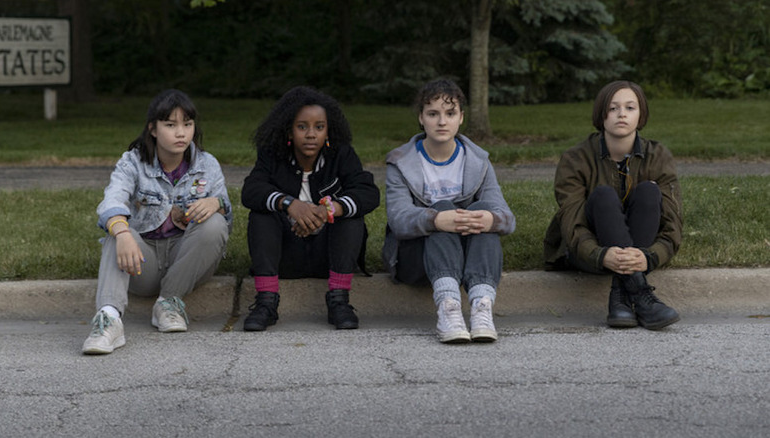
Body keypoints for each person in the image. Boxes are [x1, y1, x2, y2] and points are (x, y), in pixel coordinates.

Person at [81, 89, 232, 355]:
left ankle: (169, 303)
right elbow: (111, 201)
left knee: (215, 224)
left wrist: (217, 203)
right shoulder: (132, 162)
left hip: (185, 260)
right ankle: (109, 320)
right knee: (115, 232)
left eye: (187, 124)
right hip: (142, 261)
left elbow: (225, 225)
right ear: (153, 129)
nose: (181, 133)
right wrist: (124, 233)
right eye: (170, 125)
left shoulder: (207, 164)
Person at [382, 79, 516, 344]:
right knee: (441, 208)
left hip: (467, 259)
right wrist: (437, 219)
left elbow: (507, 218)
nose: (442, 121)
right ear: (421, 118)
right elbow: (398, 220)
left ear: (461, 118)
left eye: (450, 113)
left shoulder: (478, 161)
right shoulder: (400, 162)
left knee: (483, 212)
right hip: (416, 260)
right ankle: (448, 308)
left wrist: (489, 219)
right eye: (433, 114)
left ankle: (481, 307)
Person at [543, 80, 681, 330]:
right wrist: (601, 255)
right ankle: (642, 296)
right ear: (601, 114)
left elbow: (672, 224)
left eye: (630, 107)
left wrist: (648, 258)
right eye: (613, 108)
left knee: (650, 191)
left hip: (642, 247)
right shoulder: (575, 159)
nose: (622, 114)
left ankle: (620, 298)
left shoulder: (659, 156)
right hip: (589, 252)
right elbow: (572, 223)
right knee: (603, 195)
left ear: (641, 115)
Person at [241, 86, 380, 331]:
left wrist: (329, 210)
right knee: (261, 215)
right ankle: (266, 302)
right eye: (302, 126)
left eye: (319, 126)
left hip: (329, 255)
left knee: (350, 216)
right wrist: (290, 204)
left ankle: (339, 301)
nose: (310, 134)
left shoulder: (342, 155)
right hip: (286, 255)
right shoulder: (272, 155)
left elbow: (368, 192)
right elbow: (251, 190)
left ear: (329, 130)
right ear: (289, 129)